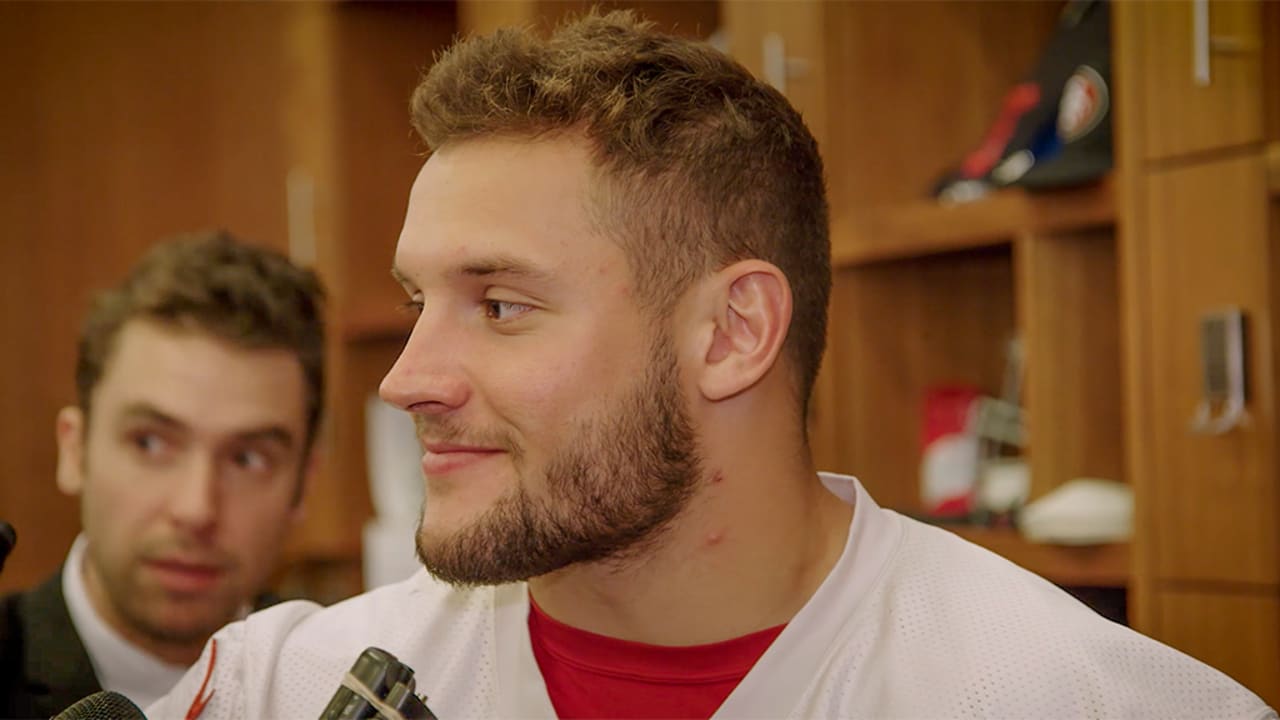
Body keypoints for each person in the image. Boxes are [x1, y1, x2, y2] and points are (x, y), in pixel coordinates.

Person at [148, 12, 1273, 720]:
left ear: (733, 333)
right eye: (414, 302)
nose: (404, 377)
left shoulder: (1061, 697)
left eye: (498, 304)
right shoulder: (290, 688)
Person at [0, 232, 326, 717]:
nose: (196, 509)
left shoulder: (337, 677)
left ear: (303, 482)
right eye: (150, 443)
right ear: (74, 450)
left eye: (247, 459)